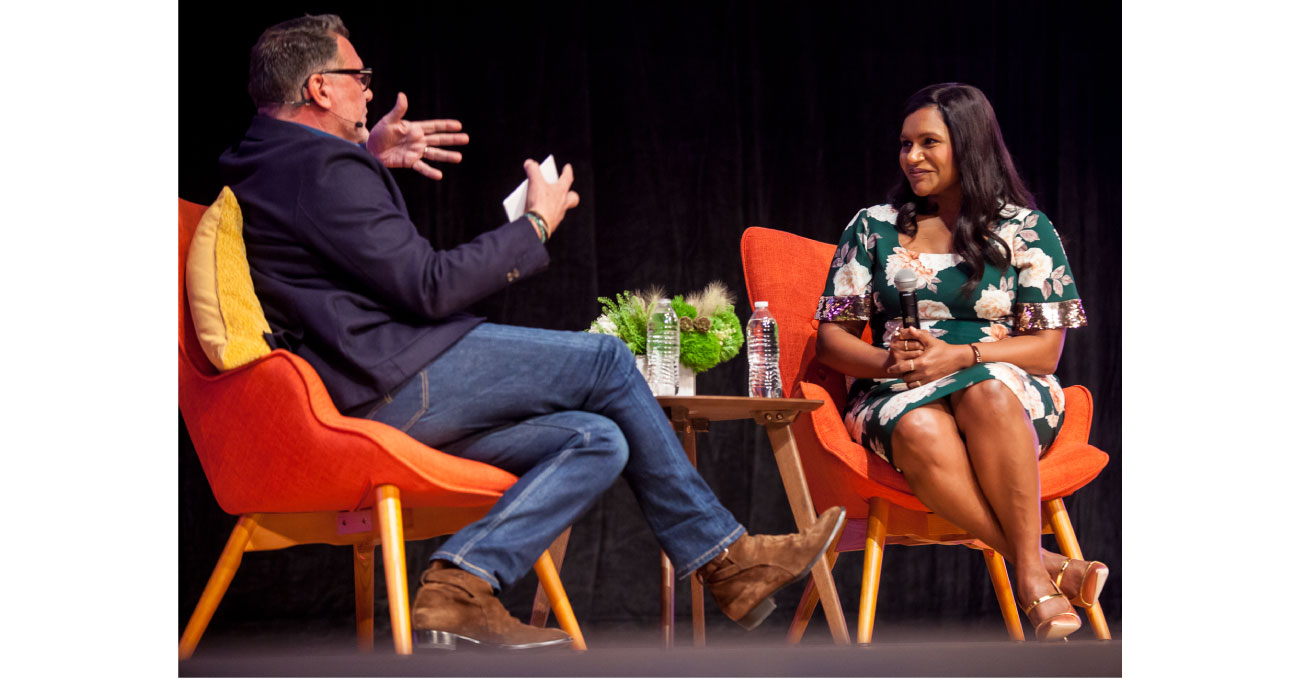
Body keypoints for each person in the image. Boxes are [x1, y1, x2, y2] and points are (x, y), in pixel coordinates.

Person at [217, 13, 845, 651]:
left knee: (598, 438)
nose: (370, 92)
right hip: (393, 379)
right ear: (321, 89)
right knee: (605, 361)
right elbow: (429, 287)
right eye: (359, 78)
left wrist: (364, 154)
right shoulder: (323, 169)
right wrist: (536, 225)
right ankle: (729, 560)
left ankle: (459, 582)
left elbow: (319, 226)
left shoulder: (264, 158)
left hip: (363, 382)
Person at [813, 83, 1107, 641]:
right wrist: (887, 363)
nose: (912, 157)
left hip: (1007, 386)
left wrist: (962, 355)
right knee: (921, 424)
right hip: (897, 389)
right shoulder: (873, 227)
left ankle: (1028, 569)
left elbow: (1045, 351)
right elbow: (833, 340)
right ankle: (1037, 568)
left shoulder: (1026, 230)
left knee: (988, 389)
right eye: (905, 144)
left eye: (929, 143)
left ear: (969, 146)